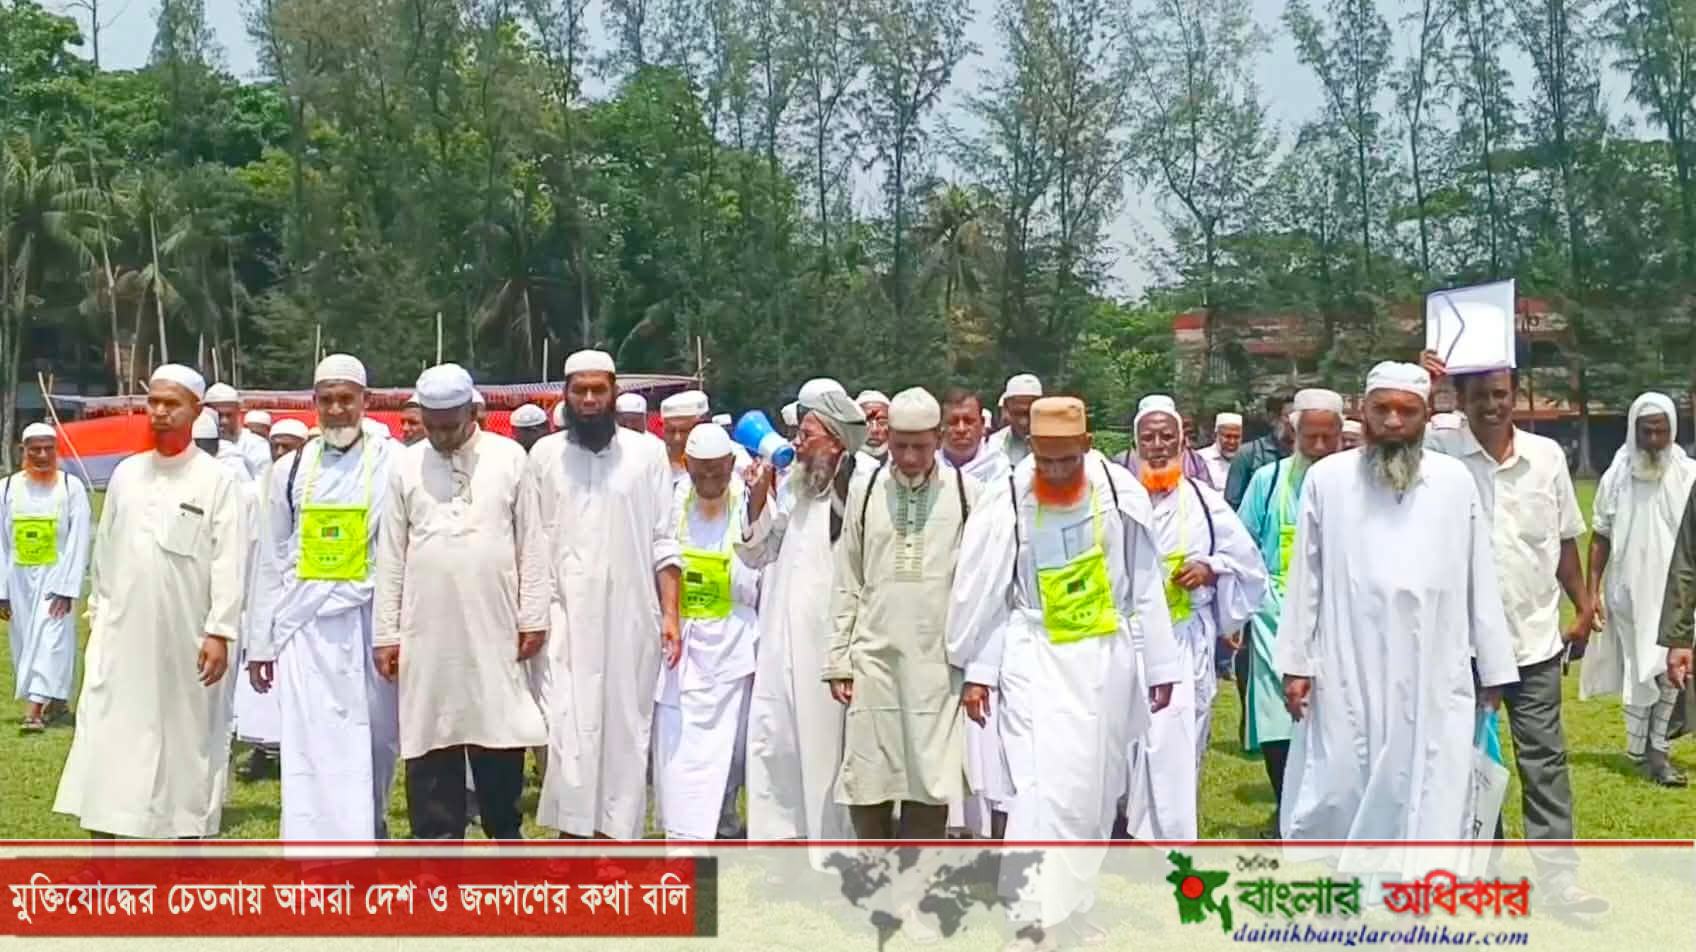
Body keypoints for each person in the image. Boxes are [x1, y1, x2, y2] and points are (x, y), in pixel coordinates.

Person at [948, 396, 1180, 945]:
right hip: (1033, 653)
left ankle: (1074, 903)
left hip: (1102, 658)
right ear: (1030, 447)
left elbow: (1145, 582)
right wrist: (980, 671)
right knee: (1038, 786)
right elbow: (993, 591)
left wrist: (1160, 665)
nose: (1054, 472)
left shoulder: (1119, 492)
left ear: (1087, 445)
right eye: (1044, 460)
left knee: (1094, 791)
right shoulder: (1010, 493)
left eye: (1066, 461)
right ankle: (1033, 912)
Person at [1277, 362, 1516, 846]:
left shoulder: (1454, 481)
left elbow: (1479, 574)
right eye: (1381, 409)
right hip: (1348, 663)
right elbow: (1306, 577)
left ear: (1426, 415)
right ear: (1362, 411)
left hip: (1433, 663)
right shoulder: (1327, 479)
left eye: (1406, 411)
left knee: (1430, 780)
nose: (1392, 421)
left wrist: (1493, 667)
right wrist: (1296, 663)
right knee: (1344, 780)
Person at [1422, 355, 1601, 914]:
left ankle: (1559, 880)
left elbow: (1563, 541)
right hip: (1462, 646)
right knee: (1464, 760)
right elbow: (1390, 436)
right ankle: (1480, 869)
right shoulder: (1440, 455)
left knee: (1544, 761)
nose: (1492, 405)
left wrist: (1584, 604)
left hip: (1534, 640)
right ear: (1462, 400)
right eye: (1479, 395)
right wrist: (1425, 384)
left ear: (1515, 395)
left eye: (1500, 394)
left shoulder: (1546, 457)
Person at [53, 365, 246, 838]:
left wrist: (220, 630)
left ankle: (182, 839)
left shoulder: (217, 480)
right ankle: (106, 840)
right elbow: (106, 553)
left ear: (195, 411)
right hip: (122, 632)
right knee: (109, 729)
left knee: (186, 736)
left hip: (187, 636)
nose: (159, 412)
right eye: (153, 402)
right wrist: (99, 616)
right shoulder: (127, 475)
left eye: (171, 404)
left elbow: (230, 560)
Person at [373, 363, 549, 839]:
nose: (440, 436)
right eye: (431, 426)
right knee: (430, 730)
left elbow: (533, 542)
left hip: (495, 622)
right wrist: (386, 633)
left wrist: (533, 616)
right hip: (426, 628)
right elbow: (391, 554)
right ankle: (436, 845)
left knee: (499, 728)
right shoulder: (405, 465)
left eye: (449, 426)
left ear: (473, 413)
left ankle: (504, 833)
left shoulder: (510, 458)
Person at [242, 355, 400, 839]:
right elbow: (270, 559)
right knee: (310, 739)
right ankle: (315, 842)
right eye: (326, 400)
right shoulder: (288, 470)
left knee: (377, 738)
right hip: (305, 626)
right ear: (313, 402)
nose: (336, 410)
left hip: (369, 619)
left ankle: (369, 826)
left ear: (365, 401)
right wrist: (261, 643)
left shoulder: (393, 462)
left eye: (345, 399)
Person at [530, 350, 682, 839]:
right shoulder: (544, 456)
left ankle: (616, 841)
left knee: (624, 729)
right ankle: (572, 837)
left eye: (599, 389)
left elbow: (664, 538)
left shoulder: (647, 454)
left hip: (629, 615)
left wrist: (671, 614)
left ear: (615, 392)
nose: (590, 399)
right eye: (580, 390)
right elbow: (530, 542)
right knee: (565, 724)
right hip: (562, 615)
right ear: (565, 395)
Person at [824, 388, 974, 840]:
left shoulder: (968, 494)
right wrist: (838, 660)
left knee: (929, 780)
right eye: (901, 445)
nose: (909, 457)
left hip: (937, 667)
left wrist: (976, 668)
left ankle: (916, 878)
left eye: (920, 446)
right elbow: (848, 579)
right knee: (867, 778)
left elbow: (979, 590)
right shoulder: (867, 490)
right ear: (887, 438)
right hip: (874, 661)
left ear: (938, 439)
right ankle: (875, 875)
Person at [1123, 396, 1264, 839]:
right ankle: (1122, 831)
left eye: (1167, 437)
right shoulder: (1118, 499)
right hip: (1128, 641)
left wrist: (1210, 568)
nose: (1158, 446)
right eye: (1148, 437)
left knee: (1175, 742)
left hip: (1184, 641)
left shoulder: (1204, 502)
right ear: (1135, 444)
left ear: (1182, 443)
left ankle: (1166, 839)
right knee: (1126, 745)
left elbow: (1248, 566)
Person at [736, 386, 866, 841]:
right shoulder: (796, 483)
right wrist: (757, 499)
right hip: (779, 635)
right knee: (775, 739)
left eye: (807, 435)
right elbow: (759, 553)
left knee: (823, 747)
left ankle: (830, 845)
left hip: (827, 643)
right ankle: (780, 842)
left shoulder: (862, 486)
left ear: (835, 440)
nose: (797, 443)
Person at [1234, 389, 1343, 829]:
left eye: (1327, 438)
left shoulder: (1355, 483)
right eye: (1309, 437)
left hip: (1339, 618)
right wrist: (1242, 612)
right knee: (1277, 718)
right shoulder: (1269, 480)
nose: (1318, 447)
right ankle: (1285, 810)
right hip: (1274, 618)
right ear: (1292, 433)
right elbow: (1242, 546)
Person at [653, 424, 761, 840]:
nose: (710, 482)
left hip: (733, 641)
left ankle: (723, 824)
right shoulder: (675, 498)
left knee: (729, 747)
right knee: (679, 747)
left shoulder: (749, 498)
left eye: (718, 472)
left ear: (731, 464)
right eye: (701, 473)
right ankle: (683, 835)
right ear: (687, 465)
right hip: (684, 639)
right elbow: (664, 552)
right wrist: (669, 616)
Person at [1583, 394, 1694, 787]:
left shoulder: (1688, 474)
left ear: (1673, 430)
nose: (1654, 440)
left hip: (1677, 593)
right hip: (1628, 592)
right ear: (1634, 430)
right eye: (1646, 431)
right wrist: (1591, 592)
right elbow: (1600, 535)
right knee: (1640, 667)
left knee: (1667, 667)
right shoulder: (1616, 475)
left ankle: (1657, 749)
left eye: (1661, 431)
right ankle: (1644, 746)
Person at [2, 423, 92, 732]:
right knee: (27, 642)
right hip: (19, 581)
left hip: (56, 579)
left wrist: (68, 588)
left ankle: (34, 711)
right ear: (23, 451)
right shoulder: (6, 489)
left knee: (52, 639)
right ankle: (56, 701)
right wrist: (2, 591)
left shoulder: (70, 487)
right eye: (35, 449)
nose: (42, 455)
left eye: (48, 449)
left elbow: (79, 539)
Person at [1225, 393, 1294, 508]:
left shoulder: (1310, 455)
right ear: (1273, 418)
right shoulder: (1248, 454)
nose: (1296, 423)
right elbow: (1232, 504)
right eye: (1290, 416)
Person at [939, 387, 1006, 483]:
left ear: (983, 424)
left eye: (969, 421)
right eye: (953, 422)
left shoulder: (998, 466)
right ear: (941, 426)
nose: (961, 429)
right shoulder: (928, 466)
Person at [205, 383, 272, 478]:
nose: (224, 421)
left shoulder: (256, 445)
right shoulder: (196, 444)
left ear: (238, 413)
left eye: (229, 415)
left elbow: (264, 482)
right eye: (219, 415)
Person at [986, 374, 1041, 468]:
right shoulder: (995, 444)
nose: (1024, 422)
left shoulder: (1058, 442)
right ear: (1006, 408)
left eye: (1029, 413)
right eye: (1017, 413)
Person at [661, 390, 710, 486]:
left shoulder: (731, 459)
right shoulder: (656, 461)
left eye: (684, 431)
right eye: (670, 431)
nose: (677, 438)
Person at [1197, 412, 1242, 488]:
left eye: (1236, 437)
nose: (1232, 442)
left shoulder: (1245, 460)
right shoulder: (1199, 459)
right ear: (1215, 435)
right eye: (1228, 436)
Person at [855, 390, 891, 471]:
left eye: (882, 422)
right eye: (866, 422)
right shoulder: (841, 466)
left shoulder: (902, 465)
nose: (874, 430)